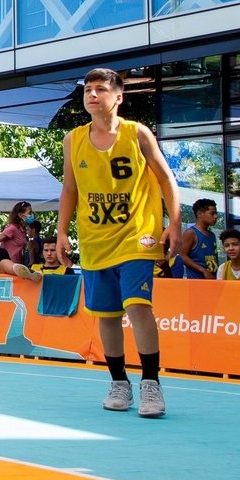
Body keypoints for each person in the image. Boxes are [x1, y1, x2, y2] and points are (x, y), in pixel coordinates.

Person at [57, 67, 179, 420]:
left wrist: (174, 223)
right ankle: (118, 382)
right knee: (107, 316)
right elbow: (70, 189)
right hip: (95, 239)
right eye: (87, 90)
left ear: (118, 97)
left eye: (100, 89)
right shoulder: (73, 140)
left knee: (138, 306)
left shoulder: (137, 134)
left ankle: (151, 384)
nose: (92, 95)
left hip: (137, 235)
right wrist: (62, 232)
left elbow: (166, 178)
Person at [172, 197, 219, 279]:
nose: (215, 216)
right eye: (212, 213)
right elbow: (182, 256)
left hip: (212, 280)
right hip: (196, 281)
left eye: (216, 213)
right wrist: (203, 271)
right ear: (200, 214)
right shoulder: (191, 233)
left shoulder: (212, 235)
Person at [0, 201, 34, 266]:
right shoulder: (12, 228)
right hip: (8, 265)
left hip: (16, 265)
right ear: (20, 215)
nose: (32, 215)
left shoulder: (22, 230)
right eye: (30, 213)